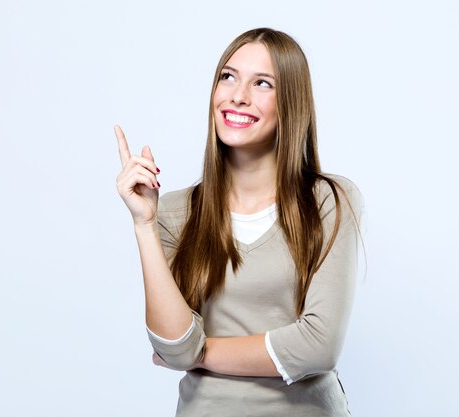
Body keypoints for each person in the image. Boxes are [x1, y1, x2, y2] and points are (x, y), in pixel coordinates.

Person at [114, 27, 363, 417]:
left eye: (262, 83)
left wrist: (201, 352)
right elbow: (174, 347)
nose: (238, 95)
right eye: (227, 77)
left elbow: (319, 345)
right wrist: (144, 224)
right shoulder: (175, 213)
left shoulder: (328, 201)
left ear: (291, 103)